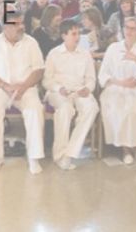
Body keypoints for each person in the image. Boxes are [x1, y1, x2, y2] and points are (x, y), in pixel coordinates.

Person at [0, 6, 45, 174]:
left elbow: (38, 70)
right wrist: (5, 86)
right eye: (16, 24)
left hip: (26, 88)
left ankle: (34, 158)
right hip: (0, 89)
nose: (21, 27)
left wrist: (23, 86)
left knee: (35, 110)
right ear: (5, 27)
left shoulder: (31, 42)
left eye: (22, 23)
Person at [42, 20, 98, 170]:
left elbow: (91, 79)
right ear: (64, 36)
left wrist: (88, 88)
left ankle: (70, 152)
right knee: (66, 109)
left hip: (79, 90)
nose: (77, 37)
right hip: (58, 92)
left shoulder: (85, 54)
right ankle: (59, 155)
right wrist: (58, 88)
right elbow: (46, 80)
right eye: (73, 34)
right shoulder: (54, 54)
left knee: (92, 107)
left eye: (78, 33)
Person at [99, 16, 136, 166]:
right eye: (126, 28)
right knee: (118, 109)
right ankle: (126, 150)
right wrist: (121, 83)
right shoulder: (113, 48)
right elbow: (103, 74)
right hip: (115, 88)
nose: (129, 31)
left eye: (133, 29)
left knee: (133, 110)